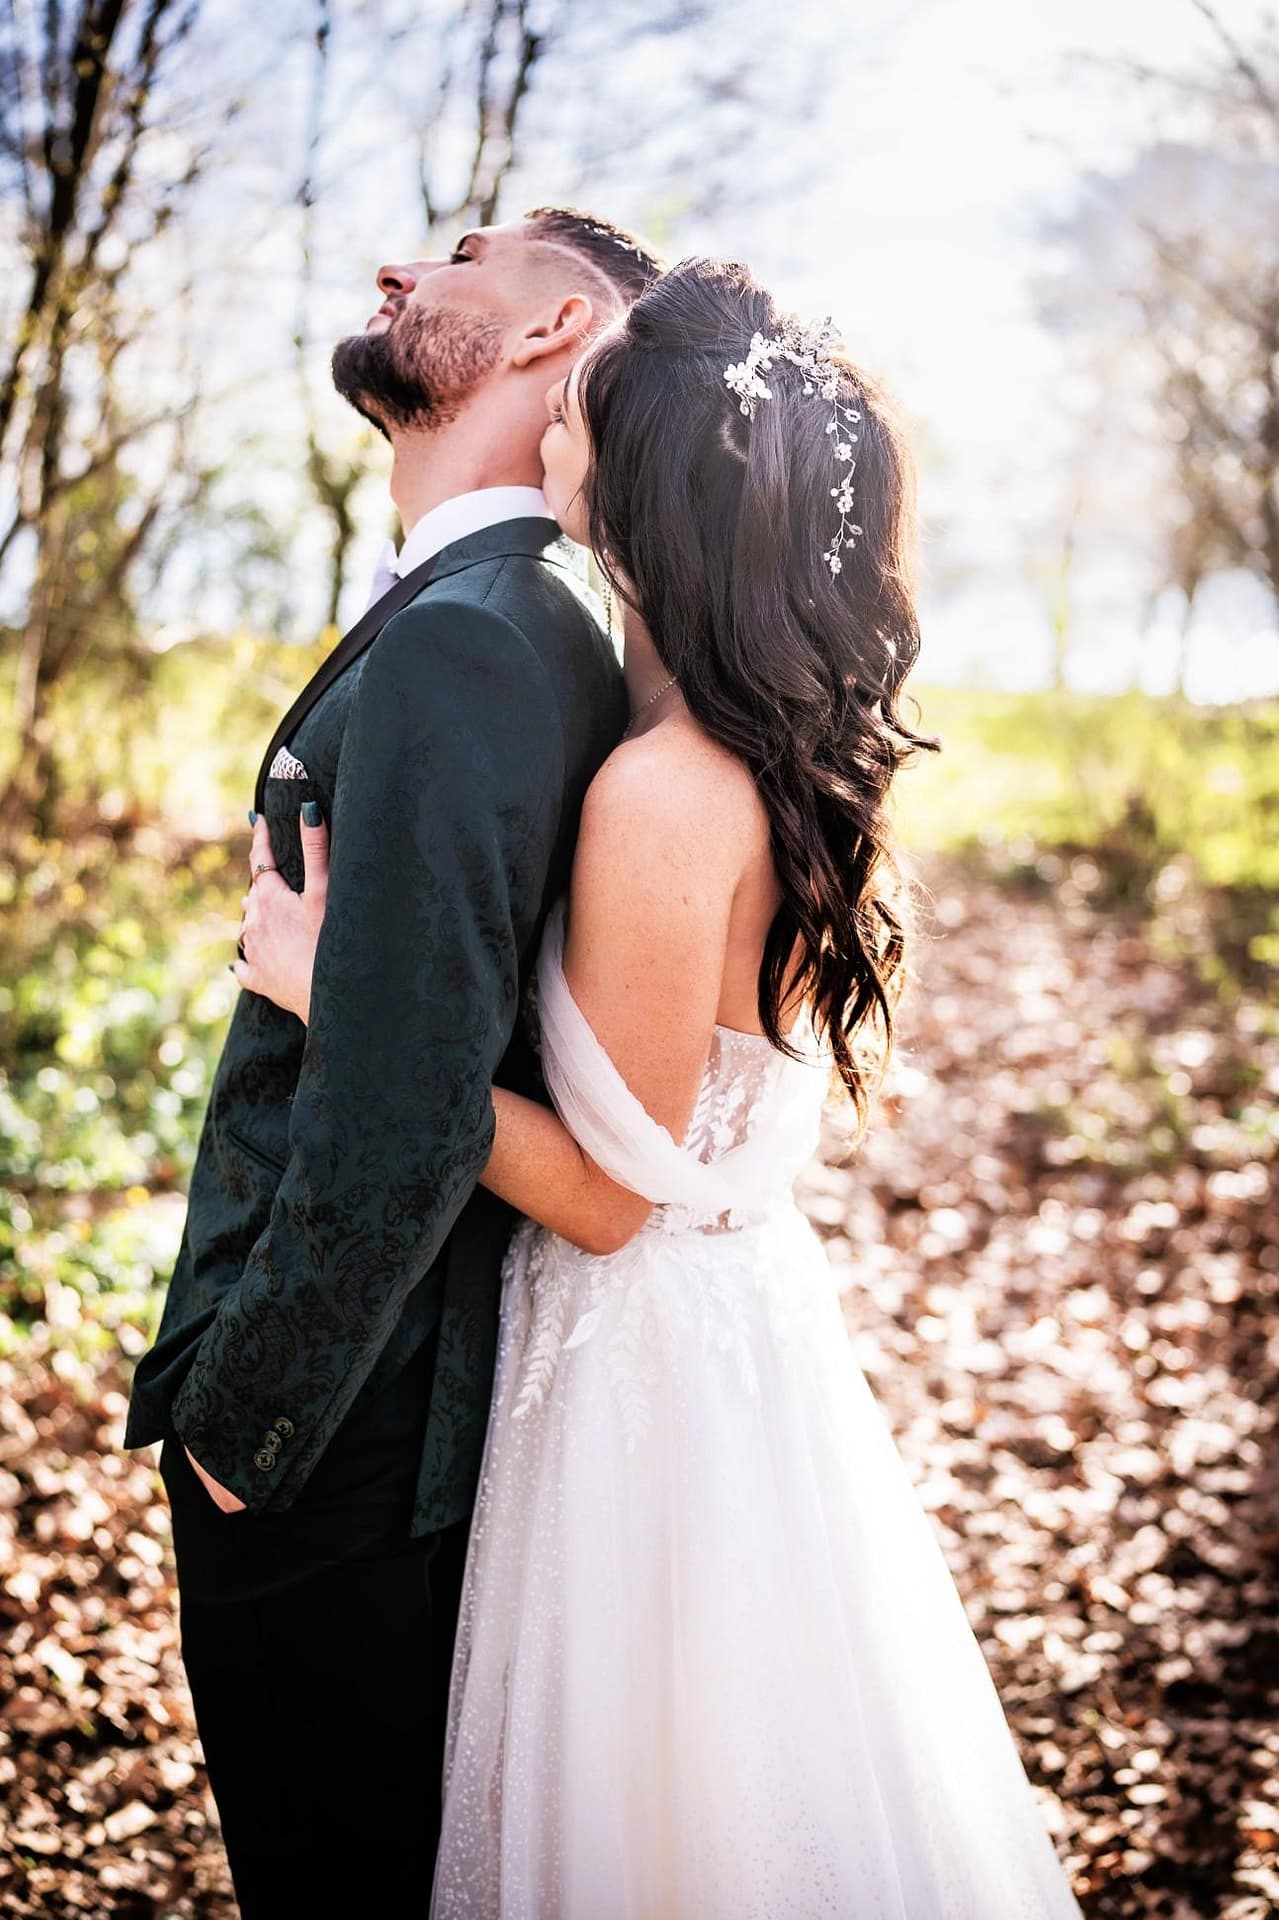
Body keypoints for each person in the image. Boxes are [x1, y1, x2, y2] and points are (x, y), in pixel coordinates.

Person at [240, 257, 1085, 1917]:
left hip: (644, 1386)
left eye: (582, 399)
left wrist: (356, 1004)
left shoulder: (660, 792)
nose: (554, 411)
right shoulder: (700, 734)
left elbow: (616, 1199)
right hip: (733, 1340)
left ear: (627, 477)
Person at [122, 206, 664, 1917]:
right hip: (386, 1422)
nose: (398, 274)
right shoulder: (514, 614)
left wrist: (243, 1425)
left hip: (336, 1446)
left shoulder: (479, 633)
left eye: (462, 258)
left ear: (549, 328)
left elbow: (405, 1099)